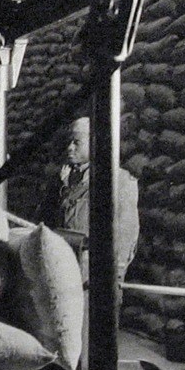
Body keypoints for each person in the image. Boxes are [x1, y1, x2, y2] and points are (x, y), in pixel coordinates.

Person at [37, 116, 140, 285]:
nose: (70, 148)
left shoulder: (117, 180)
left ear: (94, 143)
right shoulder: (61, 180)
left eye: (77, 142)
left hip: (93, 277)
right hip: (59, 270)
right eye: (69, 141)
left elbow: (125, 233)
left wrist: (112, 274)